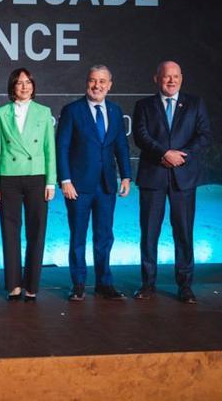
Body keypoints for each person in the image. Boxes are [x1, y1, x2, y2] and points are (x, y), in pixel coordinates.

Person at [133, 61, 211, 304]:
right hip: (153, 177)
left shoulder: (195, 104)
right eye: (166, 77)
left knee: (184, 234)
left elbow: (204, 135)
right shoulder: (143, 105)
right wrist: (164, 153)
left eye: (175, 76)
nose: (171, 81)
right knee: (149, 234)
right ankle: (147, 284)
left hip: (184, 178)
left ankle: (185, 286)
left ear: (181, 78)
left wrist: (180, 155)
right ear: (156, 78)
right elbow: (141, 136)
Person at [56, 65, 131, 301]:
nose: (96, 86)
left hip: (107, 185)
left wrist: (126, 176)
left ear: (110, 85)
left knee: (105, 236)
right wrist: (65, 180)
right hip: (78, 186)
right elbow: (62, 148)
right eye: (92, 81)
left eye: (102, 81)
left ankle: (104, 283)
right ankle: (78, 284)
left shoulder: (116, 111)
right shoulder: (72, 110)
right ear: (86, 83)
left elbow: (121, 145)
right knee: (78, 235)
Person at [0, 68, 56, 302]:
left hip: (37, 176)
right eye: (19, 83)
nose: (24, 86)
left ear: (33, 86)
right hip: (9, 177)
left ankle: (32, 285)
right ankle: (13, 284)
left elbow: (50, 149)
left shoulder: (44, 112)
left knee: (36, 232)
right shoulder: (0, 113)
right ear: (12, 87)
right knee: (10, 231)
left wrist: (51, 181)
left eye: (28, 82)